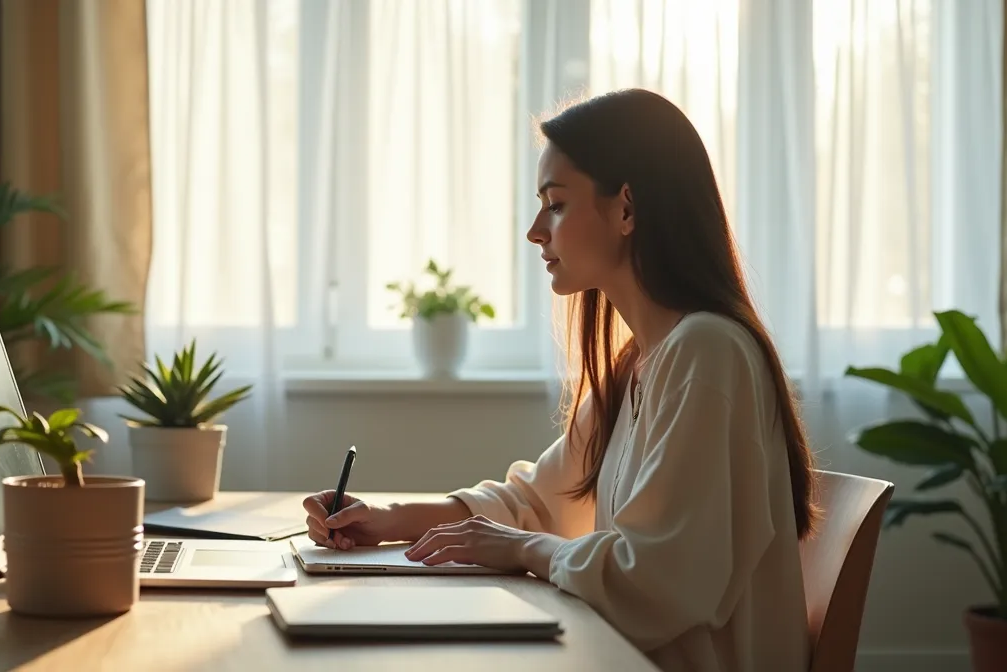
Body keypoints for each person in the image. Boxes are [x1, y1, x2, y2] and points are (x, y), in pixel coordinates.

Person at [302, 88, 818, 672]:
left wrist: (523, 550)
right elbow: (537, 502)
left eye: (556, 204)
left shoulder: (707, 353)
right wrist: (389, 519)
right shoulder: (639, 364)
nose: (534, 232)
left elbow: (657, 580)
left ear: (626, 208)